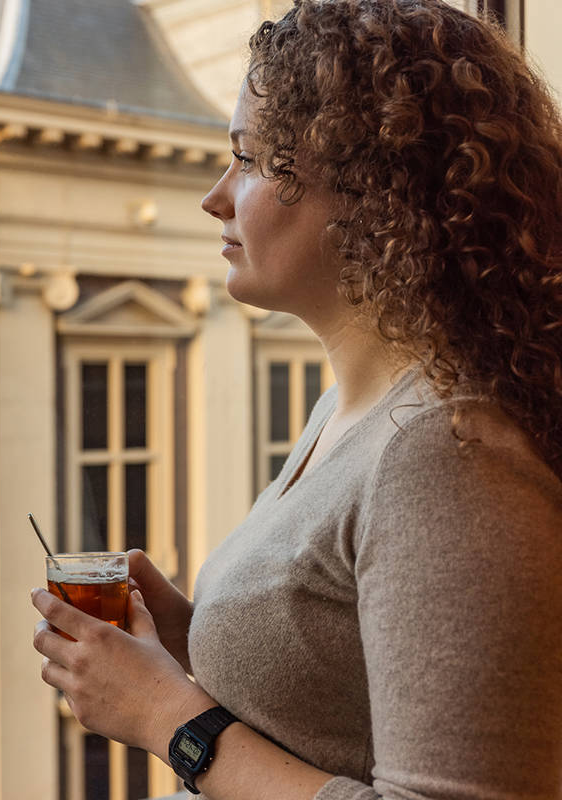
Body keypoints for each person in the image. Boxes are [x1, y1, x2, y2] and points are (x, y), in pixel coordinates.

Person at [30, 1, 562, 798]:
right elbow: (341, 690)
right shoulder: (349, 413)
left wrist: (167, 719)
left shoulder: (446, 451)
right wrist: (187, 645)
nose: (215, 197)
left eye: (247, 160)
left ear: (370, 189)